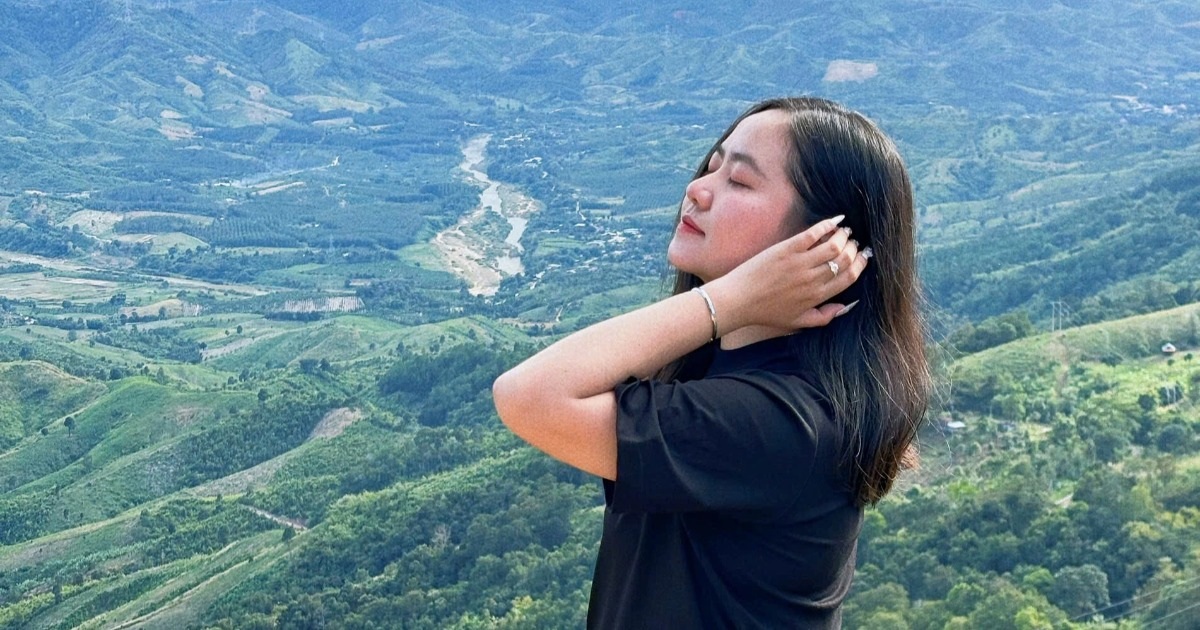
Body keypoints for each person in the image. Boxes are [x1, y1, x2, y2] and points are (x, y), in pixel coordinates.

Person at [492, 96, 930, 628]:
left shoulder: (785, 421)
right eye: (712, 166)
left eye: (739, 182)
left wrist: (727, 300)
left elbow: (527, 397)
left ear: (823, 243)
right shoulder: (721, 364)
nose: (697, 190)